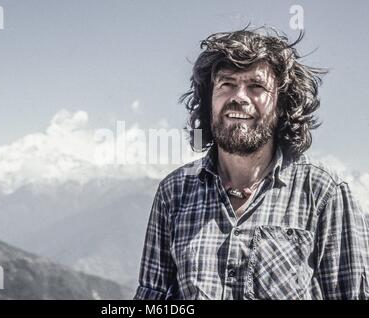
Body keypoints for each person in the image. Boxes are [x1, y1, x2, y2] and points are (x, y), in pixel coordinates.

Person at [134, 27, 369, 300]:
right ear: (209, 100)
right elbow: (152, 298)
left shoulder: (324, 194)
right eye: (226, 84)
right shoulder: (174, 193)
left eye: (256, 86)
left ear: (282, 105)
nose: (239, 97)